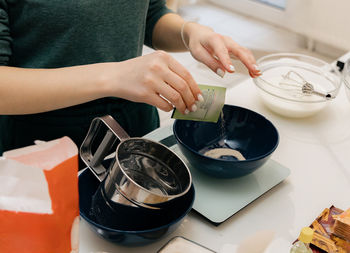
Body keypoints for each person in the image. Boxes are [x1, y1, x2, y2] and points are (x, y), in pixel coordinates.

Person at [0, 0, 261, 160]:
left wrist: (188, 32)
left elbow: (150, 14)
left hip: (136, 130)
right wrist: (114, 76)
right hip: (46, 148)